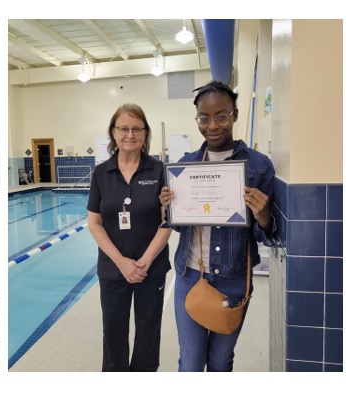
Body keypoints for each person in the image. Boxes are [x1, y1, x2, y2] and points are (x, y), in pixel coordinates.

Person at [159, 80, 277, 372]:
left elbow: (270, 235)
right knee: (191, 361)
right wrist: (168, 208)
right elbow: (177, 226)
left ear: (235, 115)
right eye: (204, 118)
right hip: (191, 276)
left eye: (221, 116)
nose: (212, 125)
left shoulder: (259, 166)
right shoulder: (185, 165)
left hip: (234, 279)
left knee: (222, 361)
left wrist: (263, 216)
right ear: (197, 119)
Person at [87, 103, 172, 372]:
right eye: (123, 128)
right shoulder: (101, 173)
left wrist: (144, 262)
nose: (130, 134)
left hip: (152, 269)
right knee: (113, 332)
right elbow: (94, 222)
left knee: (148, 332)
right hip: (113, 270)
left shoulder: (159, 171)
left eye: (137, 128)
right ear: (113, 132)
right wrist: (122, 262)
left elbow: (167, 221)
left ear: (145, 133)